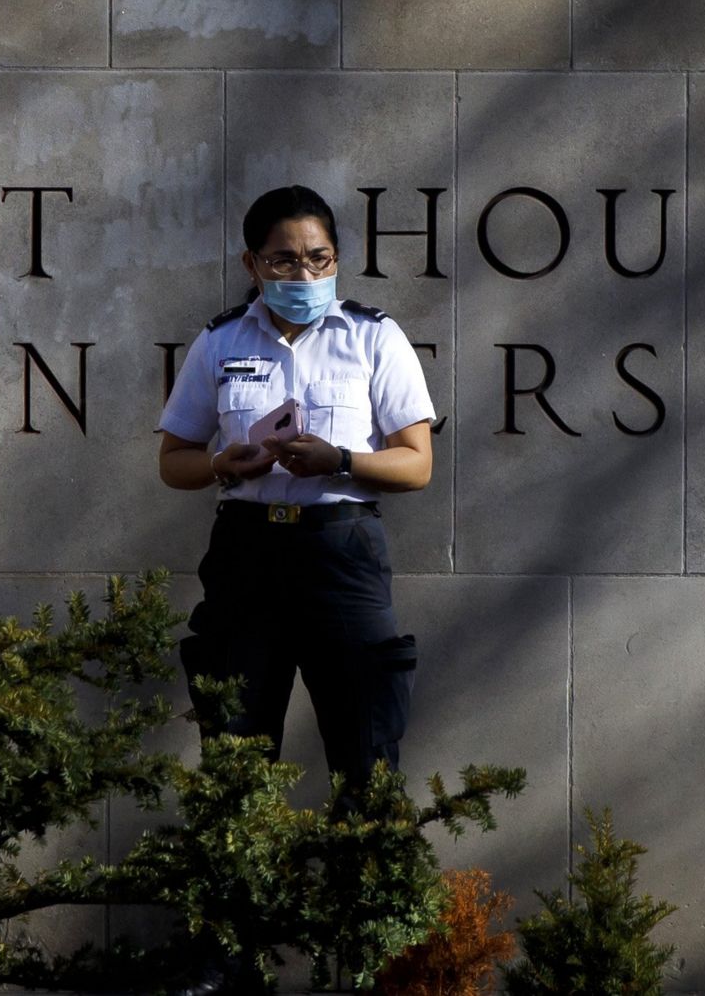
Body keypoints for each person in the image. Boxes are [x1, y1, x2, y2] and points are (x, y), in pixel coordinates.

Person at [154, 184, 435, 993]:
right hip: (247, 558)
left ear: (335, 260)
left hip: (342, 553)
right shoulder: (218, 343)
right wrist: (222, 463)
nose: (303, 272)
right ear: (252, 264)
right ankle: (230, 959)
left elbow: (416, 461)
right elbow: (172, 459)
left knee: (365, 755)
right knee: (236, 758)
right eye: (284, 258)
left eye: (318, 258)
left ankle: (367, 952)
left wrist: (340, 459)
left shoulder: (374, 338)